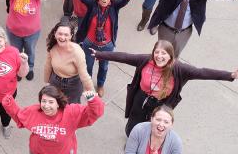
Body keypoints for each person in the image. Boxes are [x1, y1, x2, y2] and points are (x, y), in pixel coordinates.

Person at [93, 40, 237, 136]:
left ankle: (145, 145)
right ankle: (132, 140)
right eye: (157, 52)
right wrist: (100, 54)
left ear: (170, 56)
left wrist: (230, 75)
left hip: (161, 103)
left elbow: (203, 72)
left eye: (164, 53)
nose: (159, 56)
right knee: (134, 121)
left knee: (153, 126)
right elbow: (124, 57)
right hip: (141, 97)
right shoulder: (145, 60)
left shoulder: (180, 69)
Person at [75, 0, 138, 97]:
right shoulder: (92, 4)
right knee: (88, 66)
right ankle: (88, 86)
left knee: (103, 67)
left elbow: (124, 0)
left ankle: (100, 85)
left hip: (107, 45)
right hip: (90, 43)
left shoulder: (114, 5)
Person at [0, 0, 45, 80]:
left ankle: (30, 68)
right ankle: (19, 69)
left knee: (30, 52)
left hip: (32, 32)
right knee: (16, 52)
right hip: (14, 31)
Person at [44, 20, 94, 104]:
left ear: (71, 36)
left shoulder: (77, 52)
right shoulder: (52, 47)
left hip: (73, 85)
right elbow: (47, 66)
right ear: (55, 34)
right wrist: (46, 83)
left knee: (72, 108)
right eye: (60, 34)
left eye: (66, 35)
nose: (62, 37)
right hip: (55, 81)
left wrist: (92, 97)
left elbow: (84, 76)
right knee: (54, 104)